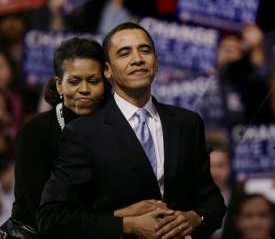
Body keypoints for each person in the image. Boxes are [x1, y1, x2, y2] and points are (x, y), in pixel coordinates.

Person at [37, 22, 226, 239]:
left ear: (156, 62)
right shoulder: (84, 133)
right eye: (124, 53)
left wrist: (195, 218)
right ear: (107, 69)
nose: (137, 59)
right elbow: (52, 218)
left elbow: (212, 201)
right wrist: (125, 225)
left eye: (145, 50)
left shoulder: (187, 123)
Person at [0, 37, 112, 238]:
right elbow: (47, 217)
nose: (84, 89)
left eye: (93, 81)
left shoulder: (118, 127)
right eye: (74, 81)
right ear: (59, 85)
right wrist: (118, 220)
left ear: (105, 82)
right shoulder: (34, 131)